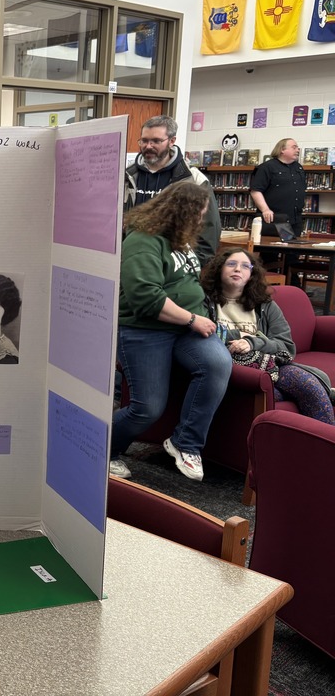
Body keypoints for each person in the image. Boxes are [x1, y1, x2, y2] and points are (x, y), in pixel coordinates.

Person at [111, 179, 232, 482]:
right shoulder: (142, 240)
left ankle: (184, 442)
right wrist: (192, 319)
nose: (202, 221)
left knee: (217, 364)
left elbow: (186, 281)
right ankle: (104, 449)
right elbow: (145, 297)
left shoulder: (179, 238)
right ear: (182, 212)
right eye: (199, 214)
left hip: (186, 327)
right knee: (146, 409)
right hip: (146, 329)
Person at [202, 248, 335, 424]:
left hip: (271, 366)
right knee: (275, 391)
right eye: (231, 264)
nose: (237, 269)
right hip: (227, 367)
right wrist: (238, 335)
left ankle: (325, 445)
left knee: (309, 386)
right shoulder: (204, 300)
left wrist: (252, 342)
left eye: (245, 266)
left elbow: (286, 346)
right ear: (219, 269)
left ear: (251, 274)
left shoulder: (264, 304)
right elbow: (201, 333)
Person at [123, 115, 220, 265]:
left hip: (172, 267)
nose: (148, 146)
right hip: (130, 260)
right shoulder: (126, 176)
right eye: (144, 140)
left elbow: (208, 230)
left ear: (172, 141)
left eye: (156, 141)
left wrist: (192, 267)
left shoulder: (193, 180)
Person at [250, 138, 306, 237]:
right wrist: (265, 210)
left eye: (298, 148)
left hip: (296, 218)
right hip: (277, 219)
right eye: (294, 147)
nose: (298, 150)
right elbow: (255, 191)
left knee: (293, 250)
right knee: (274, 249)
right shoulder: (267, 167)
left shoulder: (298, 167)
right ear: (282, 150)